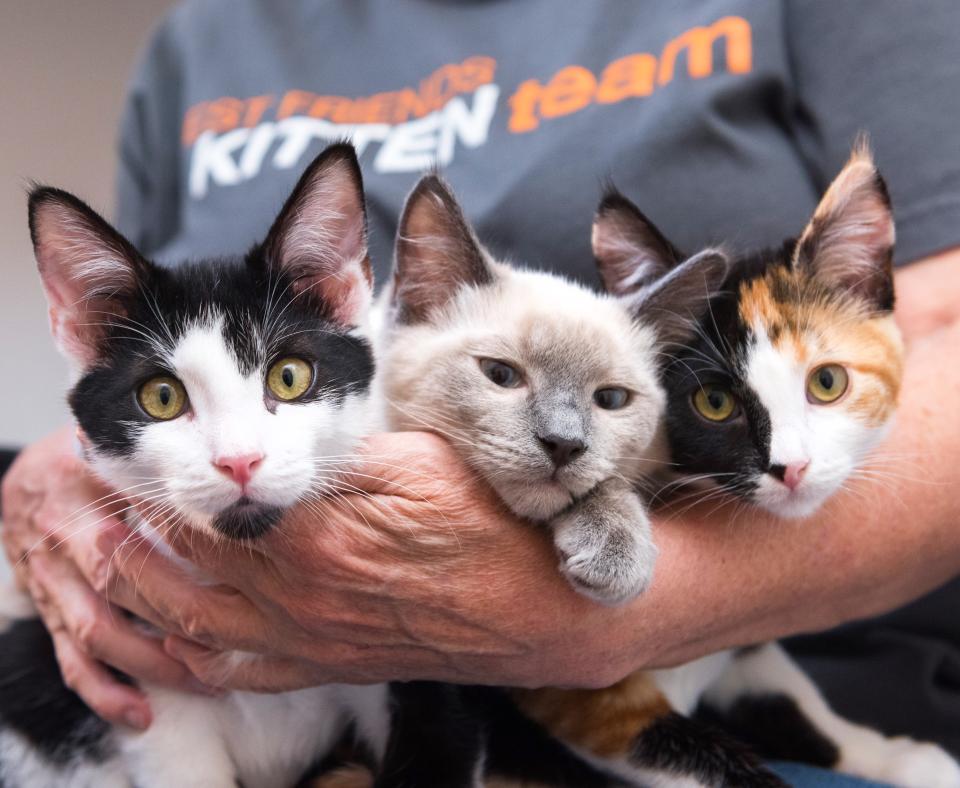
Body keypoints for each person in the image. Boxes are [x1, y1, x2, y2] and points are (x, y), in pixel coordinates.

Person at [3, 1, 960, 783]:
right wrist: (59, 483)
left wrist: (613, 619)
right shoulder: (198, 41)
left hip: (754, 697)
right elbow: (133, 360)